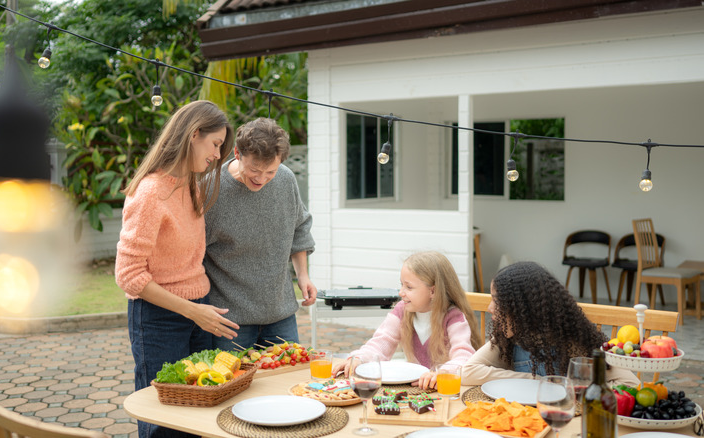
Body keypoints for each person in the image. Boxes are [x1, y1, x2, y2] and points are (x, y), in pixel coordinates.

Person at [115, 100, 239, 438]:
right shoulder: (151, 192)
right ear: (193, 134)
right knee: (164, 424)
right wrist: (193, 312)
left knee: (197, 420)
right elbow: (128, 275)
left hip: (198, 314)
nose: (217, 155)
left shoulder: (190, 186)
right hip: (159, 321)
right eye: (215, 144)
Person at [204, 117, 316, 351]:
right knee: (233, 387)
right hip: (230, 321)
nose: (261, 178)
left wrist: (303, 275)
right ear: (237, 153)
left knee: (286, 383)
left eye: (270, 171)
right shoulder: (210, 190)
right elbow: (195, 253)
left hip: (280, 314)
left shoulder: (285, 179)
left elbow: (299, 227)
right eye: (254, 169)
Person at [462, 261, 639, 387]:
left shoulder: (574, 340)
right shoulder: (508, 337)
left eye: (497, 301)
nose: (490, 308)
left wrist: (579, 390)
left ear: (525, 308)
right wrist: (534, 381)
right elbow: (468, 372)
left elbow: (631, 383)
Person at [332, 251, 482, 389]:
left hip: (443, 390)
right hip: (413, 389)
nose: (401, 292)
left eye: (409, 287)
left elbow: (464, 356)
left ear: (433, 291)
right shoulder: (401, 310)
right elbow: (380, 343)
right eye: (401, 285)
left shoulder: (453, 317)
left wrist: (443, 373)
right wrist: (360, 359)